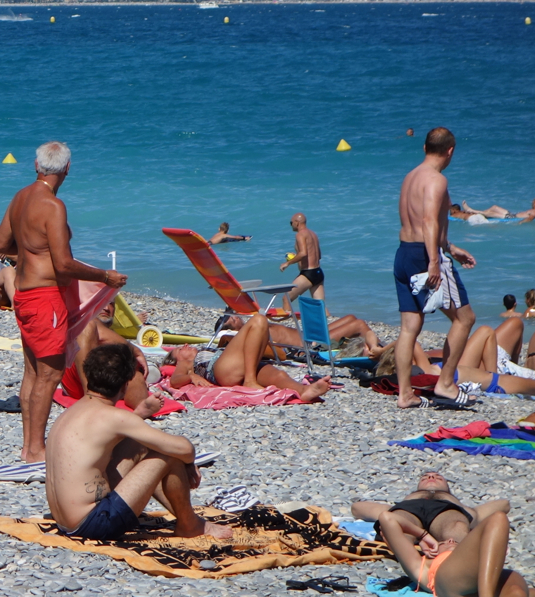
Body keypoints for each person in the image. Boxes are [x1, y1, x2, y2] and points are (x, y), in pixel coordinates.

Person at [0, 142, 128, 464]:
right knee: (49, 376)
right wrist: (105, 276)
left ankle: (28, 447)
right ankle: (36, 450)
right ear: (68, 168)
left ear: (36, 165)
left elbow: (0, 244)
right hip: (45, 299)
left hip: (24, 296)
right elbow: (65, 264)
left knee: (32, 372)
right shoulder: (53, 206)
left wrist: (31, 255)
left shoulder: (20, 197)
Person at [46, 345, 233, 541]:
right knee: (168, 454)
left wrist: (139, 414)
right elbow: (185, 448)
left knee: (138, 444)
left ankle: (187, 517)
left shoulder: (73, 412)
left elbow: (107, 437)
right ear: (126, 384)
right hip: (94, 524)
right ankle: (190, 524)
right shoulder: (114, 417)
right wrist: (187, 462)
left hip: (66, 522)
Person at [353, 472, 535, 597]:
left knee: (517, 593)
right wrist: (424, 536)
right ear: (430, 552)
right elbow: (387, 518)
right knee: (498, 520)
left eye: (438, 476)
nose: (431, 476)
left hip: (480, 582)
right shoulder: (421, 567)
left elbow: (504, 504)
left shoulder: (458, 505)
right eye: (425, 476)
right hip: (451, 584)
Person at [394, 128, 476, 408]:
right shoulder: (436, 180)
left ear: (424, 147)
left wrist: (451, 248)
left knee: (410, 326)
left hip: (404, 253)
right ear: (450, 151)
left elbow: (419, 222)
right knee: (464, 318)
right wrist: (434, 261)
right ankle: (446, 383)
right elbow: (429, 221)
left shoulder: (410, 177)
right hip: (423, 256)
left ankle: (405, 394)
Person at [160, 311, 332, 401]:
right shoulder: (187, 363)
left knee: (278, 375)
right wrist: (191, 376)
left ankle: (304, 391)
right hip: (221, 369)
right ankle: (250, 380)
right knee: (258, 320)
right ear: (178, 359)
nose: (185, 345)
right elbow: (175, 381)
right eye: (179, 350)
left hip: (236, 367)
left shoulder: (203, 351)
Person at [278, 212, 323, 319]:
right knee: (320, 306)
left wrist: (287, 263)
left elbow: (303, 253)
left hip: (308, 273)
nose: (291, 225)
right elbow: (319, 255)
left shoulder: (300, 235)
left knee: (286, 299)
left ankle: (290, 325)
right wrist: (296, 256)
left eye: (291, 223)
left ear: (297, 223)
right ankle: (329, 325)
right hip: (318, 272)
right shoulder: (313, 234)